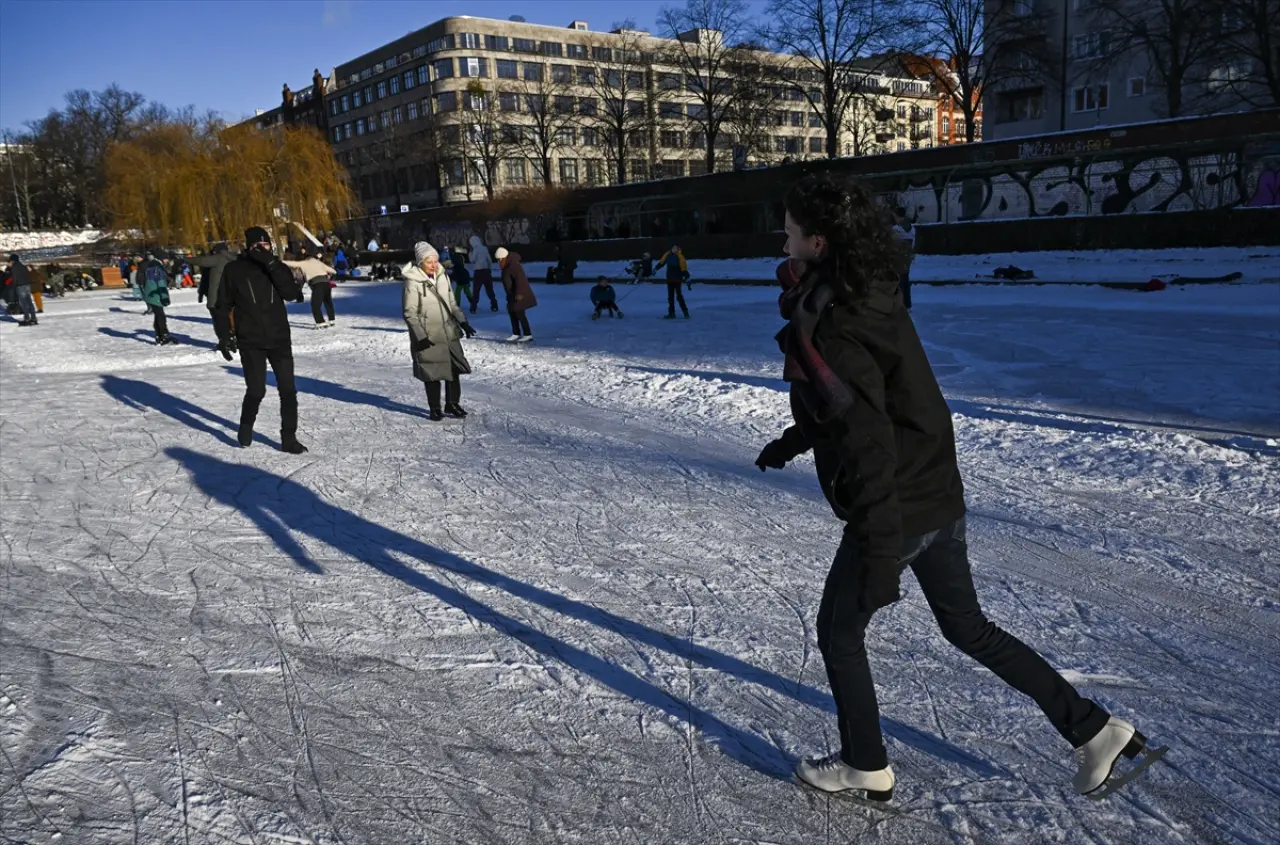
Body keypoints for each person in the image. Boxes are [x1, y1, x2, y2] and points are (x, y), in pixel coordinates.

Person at [756, 174, 1150, 802]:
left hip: (898, 506)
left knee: (839, 633)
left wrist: (881, 551)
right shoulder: (873, 298)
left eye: (791, 229)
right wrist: (794, 441)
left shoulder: (829, 323)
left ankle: (865, 763)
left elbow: (868, 441)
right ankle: (1093, 728)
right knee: (968, 627)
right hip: (938, 494)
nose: (783, 236)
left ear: (820, 243)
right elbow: (872, 405)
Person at [214, 226, 308, 453]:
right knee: (256, 390)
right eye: (257, 246)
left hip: (279, 339)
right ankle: (246, 426)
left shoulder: (277, 267)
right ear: (248, 247)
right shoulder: (234, 270)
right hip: (251, 340)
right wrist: (225, 335)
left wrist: (271, 263)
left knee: (288, 390)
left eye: (265, 245)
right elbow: (222, 304)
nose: (262, 249)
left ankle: (289, 438)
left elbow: (292, 293)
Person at [401, 242, 476, 421]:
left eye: (435, 260)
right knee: (432, 372)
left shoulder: (443, 276)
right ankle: (435, 408)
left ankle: (452, 403)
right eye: (429, 262)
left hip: (449, 332)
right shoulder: (413, 282)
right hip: (429, 335)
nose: (434, 265)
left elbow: (451, 303)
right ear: (420, 262)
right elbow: (409, 313)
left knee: (454, 370)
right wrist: (420, 337)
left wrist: (463, 322)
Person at [191, 243, 236, 346]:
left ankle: (227, 339)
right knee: (225, 319)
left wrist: (202, 292)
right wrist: (201, 292)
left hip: (221, 296)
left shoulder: (226, 262)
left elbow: (205, 279)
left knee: (224, 319)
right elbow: (205, 279)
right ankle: (226, 339)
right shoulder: (230, 261)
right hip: (219, 295)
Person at [283, 249, 338, 328]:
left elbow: (293, 263)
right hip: (326, 283)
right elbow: (333, 271)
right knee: (328, 302)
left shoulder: (304, 263)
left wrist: (281, 261)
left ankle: (321, 322)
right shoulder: (319, 263)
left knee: (315, 305)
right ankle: (332, 319)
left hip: (316, 284)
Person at [495, 247, 536, 343]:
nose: (498, 262)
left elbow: (520, 280)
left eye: (499, 260)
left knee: (520, 314)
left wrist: (519, 294)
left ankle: (527, 334)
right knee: (512, 312)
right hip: (511, 294)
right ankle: (516, 333)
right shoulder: (507, 266)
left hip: (519, 295)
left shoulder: (514, 266)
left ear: (503, 258)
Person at [137, 251, 173, 344]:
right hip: (155, 294)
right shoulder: (158, 267)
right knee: (161, 316)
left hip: (150, 294)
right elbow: (160, 283)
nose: (167, 260)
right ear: (161, 258)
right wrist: (164, 297)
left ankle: (159, 335)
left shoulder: (151, 265)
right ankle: (164, 336)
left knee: (158, 315)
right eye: (166, 258)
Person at [655, 244, 690, 319]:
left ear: (678, 249)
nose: (674, 250)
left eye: (676, 248)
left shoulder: (680, 257)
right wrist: (655, 269)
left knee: (679, 296)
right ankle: (671, 313)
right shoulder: (667, 255)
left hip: (677, 279)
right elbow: (662, 263)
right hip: (670, 279)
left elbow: (683, 268)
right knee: (670, 297)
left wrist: (687, 278)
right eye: (673, 248)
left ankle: (685, 312)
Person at [468, 233, 498, 313]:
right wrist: (489, 269)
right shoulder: (484, 248)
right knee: (490, 290)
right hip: (486, 271)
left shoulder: (475, 249)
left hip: (478, 272)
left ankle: (473, 308)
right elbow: (489, 260)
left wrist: (470, 253)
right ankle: (494, 305)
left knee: (476, 291)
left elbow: (472, 260)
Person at [893, 206, 916, 310]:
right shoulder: (912, 228)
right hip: (908, 256)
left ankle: (900, 303)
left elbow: (893, 243)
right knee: (905, 278)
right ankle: (907, 302)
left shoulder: (896, 229)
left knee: (898, 280)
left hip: (898, 256)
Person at [6, 254, 37, 326]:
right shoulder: (23, 266)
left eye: (10, 260)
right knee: (29, 302)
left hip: (20, 286)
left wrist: (13, 286)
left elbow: (14, 278)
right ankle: (33, 318)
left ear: (13, 260)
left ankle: (27, 319)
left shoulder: (14, 268)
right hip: (27, 285)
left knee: (23, 304)